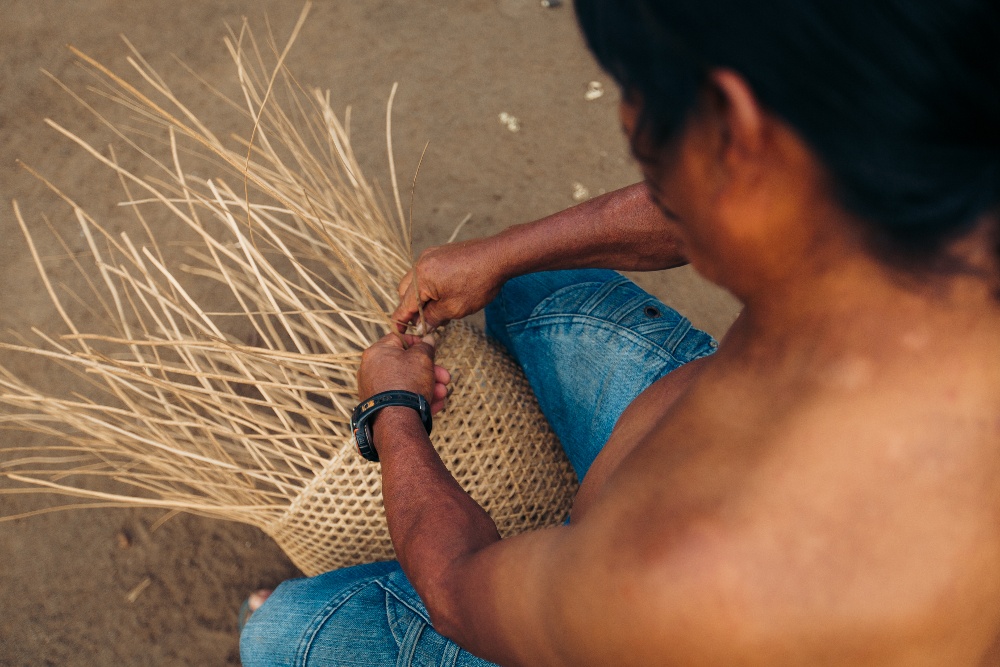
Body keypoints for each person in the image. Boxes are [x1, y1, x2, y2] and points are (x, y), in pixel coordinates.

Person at [240, 0, 1000, 664]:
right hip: (675, 472)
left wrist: (394, 416)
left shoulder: (687, 572)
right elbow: (698, 204)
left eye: (633, 92)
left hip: (622, 615)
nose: (628, 116)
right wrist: (502, 255)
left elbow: (456, 591)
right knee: (529, 289)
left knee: (278, 634)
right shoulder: (946, 171)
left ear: (733, 134)